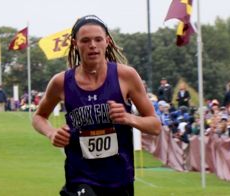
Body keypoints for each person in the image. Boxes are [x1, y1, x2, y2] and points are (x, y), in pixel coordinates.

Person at [32, 15, 161, 196]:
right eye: (85, 40)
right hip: (80, 178)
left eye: (98, 39)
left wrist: (128, 118)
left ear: (107, 42)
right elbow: (38, 117)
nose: (92, 45)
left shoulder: (126, 76)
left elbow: (155, 126)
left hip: (120, 178)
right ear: (75, 43)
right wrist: (51, 132)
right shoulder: (61, 82)